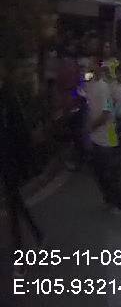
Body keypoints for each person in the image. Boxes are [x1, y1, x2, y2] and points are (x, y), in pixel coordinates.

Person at [0, 74, 44, 267]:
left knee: (12, 205)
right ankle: (36, 233)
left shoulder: (9, 99)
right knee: (15, 202)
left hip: (9, 158)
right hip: (7, 157)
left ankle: (20, 259)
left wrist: (26, 163)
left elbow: (21, 132)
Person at [81, 64, 121, 213]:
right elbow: (81, 98)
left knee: (110, 171)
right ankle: (109, 199)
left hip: (108, 134)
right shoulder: (88, 86)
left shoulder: (104, 87)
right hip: (95, 136)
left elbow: (106, 113)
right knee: (99, 171)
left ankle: (118, 202)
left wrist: (91, 126)